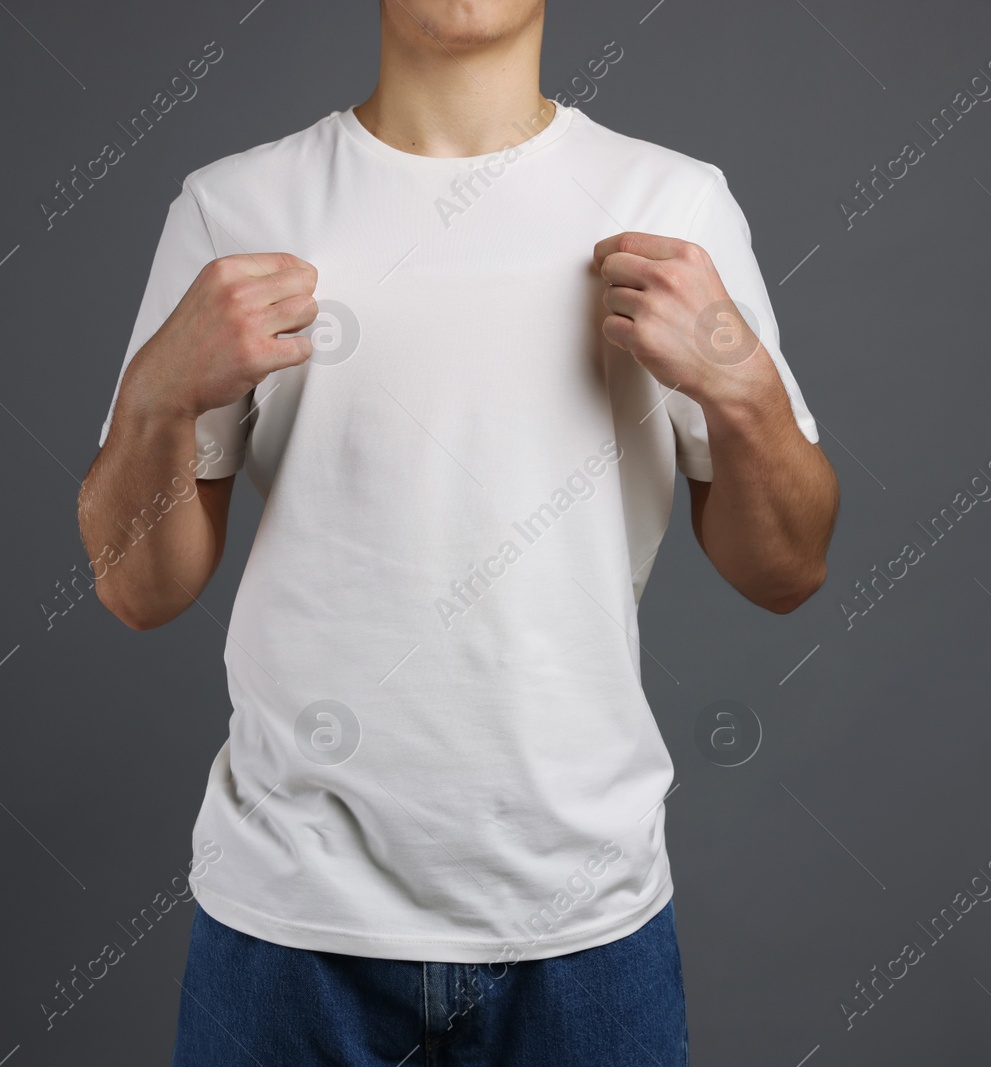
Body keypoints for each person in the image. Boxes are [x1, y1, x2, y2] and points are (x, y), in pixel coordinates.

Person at [81, 1, 839, 1062]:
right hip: (289, 918)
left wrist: (745, 389)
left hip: (581, 922)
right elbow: (136, 588)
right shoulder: (235, 206)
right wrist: (157, 397)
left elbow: (786, 571)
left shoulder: (671, 205)